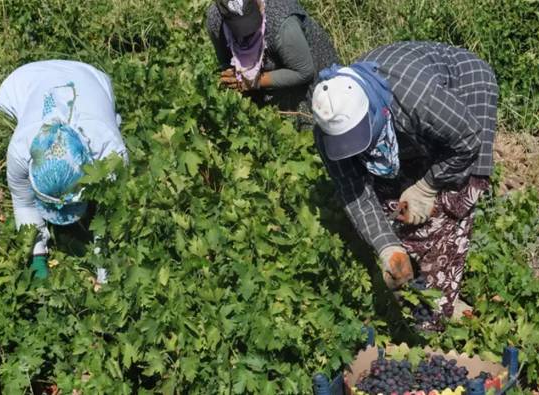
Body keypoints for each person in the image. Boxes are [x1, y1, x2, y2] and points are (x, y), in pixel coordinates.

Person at [311, 42, 498, 325]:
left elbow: (467, 139)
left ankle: (439, 303)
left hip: (463, 90)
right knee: (396, 206)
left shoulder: (417, 99)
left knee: (450, 204)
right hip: (413, 115)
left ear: (374, 113)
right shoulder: (327, 130)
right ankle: (420, 282)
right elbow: (355, 193)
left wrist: (427, 186)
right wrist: (387, 247)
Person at [0, 60, 128, 279]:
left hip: (92, 78)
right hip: (24, 80)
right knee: (4, 115)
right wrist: (36, 257)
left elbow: (110, 217)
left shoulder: (111, 152)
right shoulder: (20, 149)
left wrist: (105, 276)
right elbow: (23, 202)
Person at [206, 0, 338, 116]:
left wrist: (254, 82)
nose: (246, 33)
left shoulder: (282, 22)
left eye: (250, 22)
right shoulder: (216, 20)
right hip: (265, 84)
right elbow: (225, 61)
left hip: (310, 80)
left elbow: (304, 72)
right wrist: (233, 76)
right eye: (238, 27)